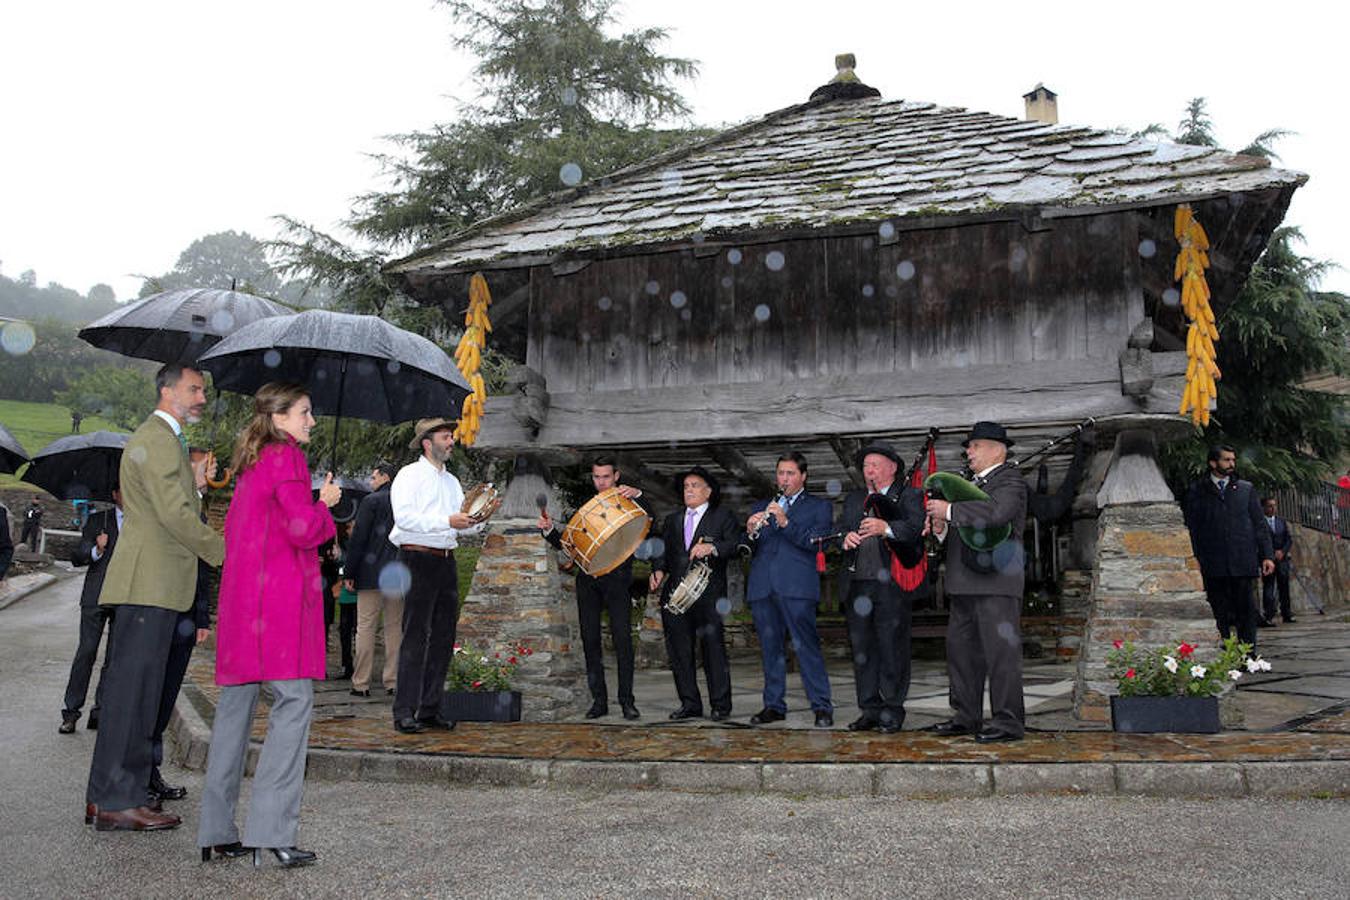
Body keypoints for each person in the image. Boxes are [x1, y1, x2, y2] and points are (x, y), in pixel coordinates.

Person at [198, 381, 339, 868]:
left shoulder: (250, 463)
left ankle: (216, 832)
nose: (311, 421)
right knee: (293, 705)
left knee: (234, 716)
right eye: (304, 412)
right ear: (279, 418)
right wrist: (327, 506)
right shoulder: (287, 459)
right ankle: (271, 835)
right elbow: (303, 529)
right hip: (278, 609)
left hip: (244, 609)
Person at [85, 363, 224, 832]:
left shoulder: (167, 440)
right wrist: (224, 551)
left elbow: (177, 505)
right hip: (151, 584)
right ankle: (117, 801)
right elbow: (174, 514)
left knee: (132, 695)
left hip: (158, 584)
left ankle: (105, 795)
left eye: (203, 389)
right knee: (134, 698)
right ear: (167, 391)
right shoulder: (159, 439)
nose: (202, 397)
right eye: (194, 389)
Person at [924, 421, 1030, 744]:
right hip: (963, 583)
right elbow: (966, 531)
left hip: (997, 583)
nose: (968, 452)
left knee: (1001, 655)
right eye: (968, 447)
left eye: (975, 446)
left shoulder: (1010, 479)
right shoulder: (967, 484)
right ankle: (965, 715)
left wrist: (951, 509)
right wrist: (942, 526)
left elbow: (996, 514)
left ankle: (1008, 721)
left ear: (998, 449)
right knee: (961, 653)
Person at [388, 417, 488, 735]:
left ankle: (430, 709)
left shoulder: (452, 481)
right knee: (415, 635)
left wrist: (479, 518)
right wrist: (448, 520)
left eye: (452, 436)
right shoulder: (409, 475)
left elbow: (461, 521)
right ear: (428, 443)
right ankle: (404, 710)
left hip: (446, 560)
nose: (452, 441)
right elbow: (404, 518)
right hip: (416, 557)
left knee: (444, 637)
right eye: (446, 437)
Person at [537, 456, 650, 720]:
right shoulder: (588, 508)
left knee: (623, 640)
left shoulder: (628, 500)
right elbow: (571, 547)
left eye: (606, 477)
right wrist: (550, 530)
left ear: (616, 476)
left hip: (618, 579)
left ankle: (627, 701)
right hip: (588, 580)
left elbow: (649, 518)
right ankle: (598, 701)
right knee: (590, 641)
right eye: (597, 477)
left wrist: (639, 494)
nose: (601, 482)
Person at [836, 443, 925, 733]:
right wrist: (844, 538)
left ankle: (892, 709)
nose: (869, 470)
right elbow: (836, 530)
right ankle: (870, 709)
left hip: (891, 586)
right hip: (856, 585)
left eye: (875, 464)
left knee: (892, 649)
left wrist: (885, 527)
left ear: (893, 468)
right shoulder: (854, 499)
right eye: (865, 466)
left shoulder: (909, 495)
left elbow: (913, 529)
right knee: (863, 650)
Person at [147, 446, 217, 807]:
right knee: (152, 695)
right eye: (209, 464)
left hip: (186, 617)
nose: (215, 469)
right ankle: (141, 774)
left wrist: (201, 617)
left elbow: (201, 569)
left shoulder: (198, 506)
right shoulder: (176, 505)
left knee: (167, 692)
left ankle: (151, 772)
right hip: (165, 612)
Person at [743, 451, 834, 728]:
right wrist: (750, 531)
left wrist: (785, 522)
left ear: (803, 476)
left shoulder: (819, 507)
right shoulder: (763, 504)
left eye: (790, 473)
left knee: (806, 647)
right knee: (770, 650)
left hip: (796, 587)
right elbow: (748, 547)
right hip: (763, 586)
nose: (784, 478)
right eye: (781, 473)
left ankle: (821, 706)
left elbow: (817, 542)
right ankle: (773, 705)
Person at [649, 466, 740, 721]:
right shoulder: (672, 519)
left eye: (695, 485)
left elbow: (736, 545)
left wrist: (712, 548)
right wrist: (657, 570)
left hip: (709, 596)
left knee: (714, 651)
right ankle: (690, 704)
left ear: (708, 491)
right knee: (679, 652)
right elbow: (661, 552)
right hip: (676, 597)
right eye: (686, 486)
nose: (689, 490)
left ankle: (721, 705)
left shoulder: (723, 517)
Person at [1182, 445, 1275, 647]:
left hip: (1242, 560)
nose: (1231, 464)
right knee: (1219, 611)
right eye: (1226, 460)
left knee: (1246, 611)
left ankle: (1247, 654)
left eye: (1233, 460)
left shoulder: (1245, 489)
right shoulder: (1197, 490)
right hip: (1213, 563)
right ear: (1213, 463)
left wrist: (1267, 555)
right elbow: (1192, 527)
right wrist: (1194, 558)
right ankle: (1223, 653)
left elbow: (1259, 525)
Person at [60, 488, 122, 734]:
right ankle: (71, 712)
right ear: (116, 493)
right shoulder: (99, 520)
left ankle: (101, 710)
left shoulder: (141, 523)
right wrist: (96, 550)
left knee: (114, 658)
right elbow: (77, 556)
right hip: (95, 597)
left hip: (124, 598)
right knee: (86, 653)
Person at [345, 462, 401, 698]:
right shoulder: (404, 500)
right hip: (397, 573)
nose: (370, 481)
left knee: (365, 627)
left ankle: (361, 683)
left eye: (373, 476)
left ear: (385, 477)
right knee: (395, 628)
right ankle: (393, 681)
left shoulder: (371, 502)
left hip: (370, 573)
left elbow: (358, 540)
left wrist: (349, 572)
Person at [1261, 497, 1295, 626]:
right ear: (1264, 508)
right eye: (1270, 506)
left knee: (1284, 587)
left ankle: (1287, 614)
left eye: (1274, 506)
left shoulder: (1281, 521)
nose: (1273, 508)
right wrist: (1270, 553)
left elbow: (1288, 539)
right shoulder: (1260, 523)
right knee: (1269, 587)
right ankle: (1268, 615)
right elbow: (1261, 540)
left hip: (1282, 560)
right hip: (1268, 559)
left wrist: (1283, 551)